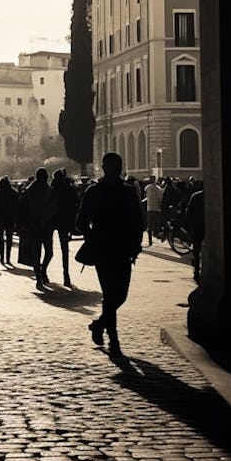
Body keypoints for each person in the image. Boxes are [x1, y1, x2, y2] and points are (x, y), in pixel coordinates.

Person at [76, 151, 144, 356]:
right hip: (103, 250)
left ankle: (99, 325)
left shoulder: (129, 191)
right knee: (110, 294)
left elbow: (137, 221)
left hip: (123, 249)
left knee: (120, 294)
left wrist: (136, 244)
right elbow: (80, 221)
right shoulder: (94, 191)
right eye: (111, 168)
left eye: (116, 168)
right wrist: (92, 239)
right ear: (105, 168)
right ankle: (113, 338)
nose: (113, 171)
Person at [20, 167, 58, 290]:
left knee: (37, 253)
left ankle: (39, 276)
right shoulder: (48, 191)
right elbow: (54, 208)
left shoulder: (29, 191)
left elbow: (23, 210)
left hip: (36, 226)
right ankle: (41, 274)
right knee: (47, 252)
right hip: (43, 226)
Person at [51, 168, 79, 287]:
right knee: (64, 250)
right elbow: (76, 204)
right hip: (65, 221)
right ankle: (66, 275)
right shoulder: (69, 189)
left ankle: (42, 272)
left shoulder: (52, 190)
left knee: (48, 249)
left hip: (51, 220)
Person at [0, 176, 18, 265]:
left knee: (1, 239)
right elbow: (16, 207)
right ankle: (8, 258)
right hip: (10, 219)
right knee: (9, 238)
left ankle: (2, 257)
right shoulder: (13, 192)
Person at [185, 182, 205, 282]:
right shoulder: (213, 198)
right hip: (208, 227)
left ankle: (196, 271)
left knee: (196, 250)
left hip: (197, 227)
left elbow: (188, 212)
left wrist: (190, 226)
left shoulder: (195, 196)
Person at [143, 175, 163, 245]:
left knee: (149, 225)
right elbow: (160, 199)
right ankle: (157, 235)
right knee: (156, 224)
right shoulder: (158, 188)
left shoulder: (147, 187)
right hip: (157, 209)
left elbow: (145, 197)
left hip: (149, 208)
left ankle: (150, 241)